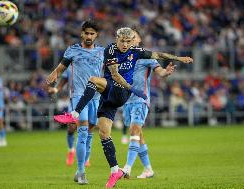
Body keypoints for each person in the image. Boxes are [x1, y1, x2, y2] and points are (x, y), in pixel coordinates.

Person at [46, 27, 193, 188]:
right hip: (110, 95)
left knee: (94, 80)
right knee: (103, 133)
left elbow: (158, 55)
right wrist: (133, 89)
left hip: (120, 92)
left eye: (128, 42)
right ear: (117, 39)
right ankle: (115, 170)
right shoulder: (110, 49)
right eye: (122, 41)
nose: (125, 44)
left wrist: (178, 58)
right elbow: (115, 75)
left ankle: (74, 114)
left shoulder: (136, 51)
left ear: (132, 42)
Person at [48, 20, 104, 184]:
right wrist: (54, 75)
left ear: (96, 35)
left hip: (96, 97)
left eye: (92, 33)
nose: (89, 36)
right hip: (79, 96)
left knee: (90, 131)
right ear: (82, 33)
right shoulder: (73, 50)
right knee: (82, 131)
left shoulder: (102, 52)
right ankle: (81, 172)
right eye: (86, 33)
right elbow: (61, 68)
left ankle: (80, 167)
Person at [122, 28, 176, 178]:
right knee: (139, 136)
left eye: (133, 36)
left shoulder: (147, 56)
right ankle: (148, 169)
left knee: (133, 132)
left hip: (141, 100)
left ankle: (127, 168)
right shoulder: (123, 57)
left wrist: (167, 71)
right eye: (128, 36)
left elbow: (160, 72)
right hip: (127, 102)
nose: (130, 38)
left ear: (139, 40)